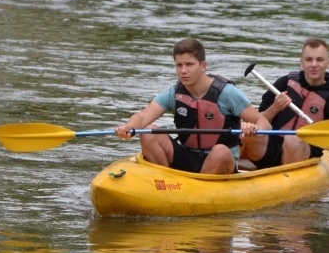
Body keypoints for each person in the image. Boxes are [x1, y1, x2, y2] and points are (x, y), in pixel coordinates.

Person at [115, 38, 270, 174]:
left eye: (189, 64)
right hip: (187, 155)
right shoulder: (174, 93)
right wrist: (129, 127)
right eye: (179, 65)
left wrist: (253, 129)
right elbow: (143, 116)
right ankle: (165, 182)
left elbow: (264, 123)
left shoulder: (228, 93)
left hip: (218, 159)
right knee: (148, 131)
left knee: (221, 151)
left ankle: (197, 192)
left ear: (203, 65)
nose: (183, 71)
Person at [241, 37, 329, 168]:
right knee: (244, 130)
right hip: (271, 148)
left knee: (293, 138)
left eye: (320, 60)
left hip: (303, 152)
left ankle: (286, 180)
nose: (314, 64)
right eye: (309, 59)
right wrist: (275, 107)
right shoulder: (283, 84)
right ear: (301, 62)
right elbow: (259, 121)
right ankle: (229, 173)